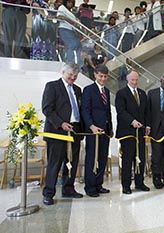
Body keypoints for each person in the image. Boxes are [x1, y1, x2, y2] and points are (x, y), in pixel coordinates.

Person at [41, 62, 84, 205]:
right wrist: (61, 123)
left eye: (75, 76)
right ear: (63, 72)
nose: (72, 78)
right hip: (57, 132)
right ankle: (48, 193)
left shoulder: (78, 90)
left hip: (74, 131)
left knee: (71, 162)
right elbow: (47, 109)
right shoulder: (52, 86)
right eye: (70, 75)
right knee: (54, 164)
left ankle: (68, 189)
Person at [115, 70, 150, 194]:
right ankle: (126, 185)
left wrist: (147, 125)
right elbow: (121, 111)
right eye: (132, 80)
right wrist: (132, 121)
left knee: (140, 158)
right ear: (127, 80)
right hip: (127, 132)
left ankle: (140, 183)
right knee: (128, 158)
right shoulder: (121, 93)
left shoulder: (142, 93)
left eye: (136, 80)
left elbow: (146, 112)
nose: (135, 82)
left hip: (140, 132)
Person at [81, 64, 113, 197]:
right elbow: (85, 110)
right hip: (93, 131)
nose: (103, 79)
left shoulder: (106, 91)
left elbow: (108, 112)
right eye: (101, 76)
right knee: (91, 159)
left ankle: (99, 184)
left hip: (105, 131)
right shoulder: (88, 90)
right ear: (95, 74)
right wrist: (91, 126)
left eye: (105, 76)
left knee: (102, 158)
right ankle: (90, 187)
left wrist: (110, 128)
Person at [57, 0, 82, 68]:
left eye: (72, 2)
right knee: (73, 45)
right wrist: (73, 22)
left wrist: (75, 21)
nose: (71, 4)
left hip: (70, 30)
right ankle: (70, 63)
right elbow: (60, 17)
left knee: (78, 44)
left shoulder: (70, 12)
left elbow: (74, 21)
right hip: (64, 29)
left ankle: (77, 63)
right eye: (69, 2)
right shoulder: (62, 7)